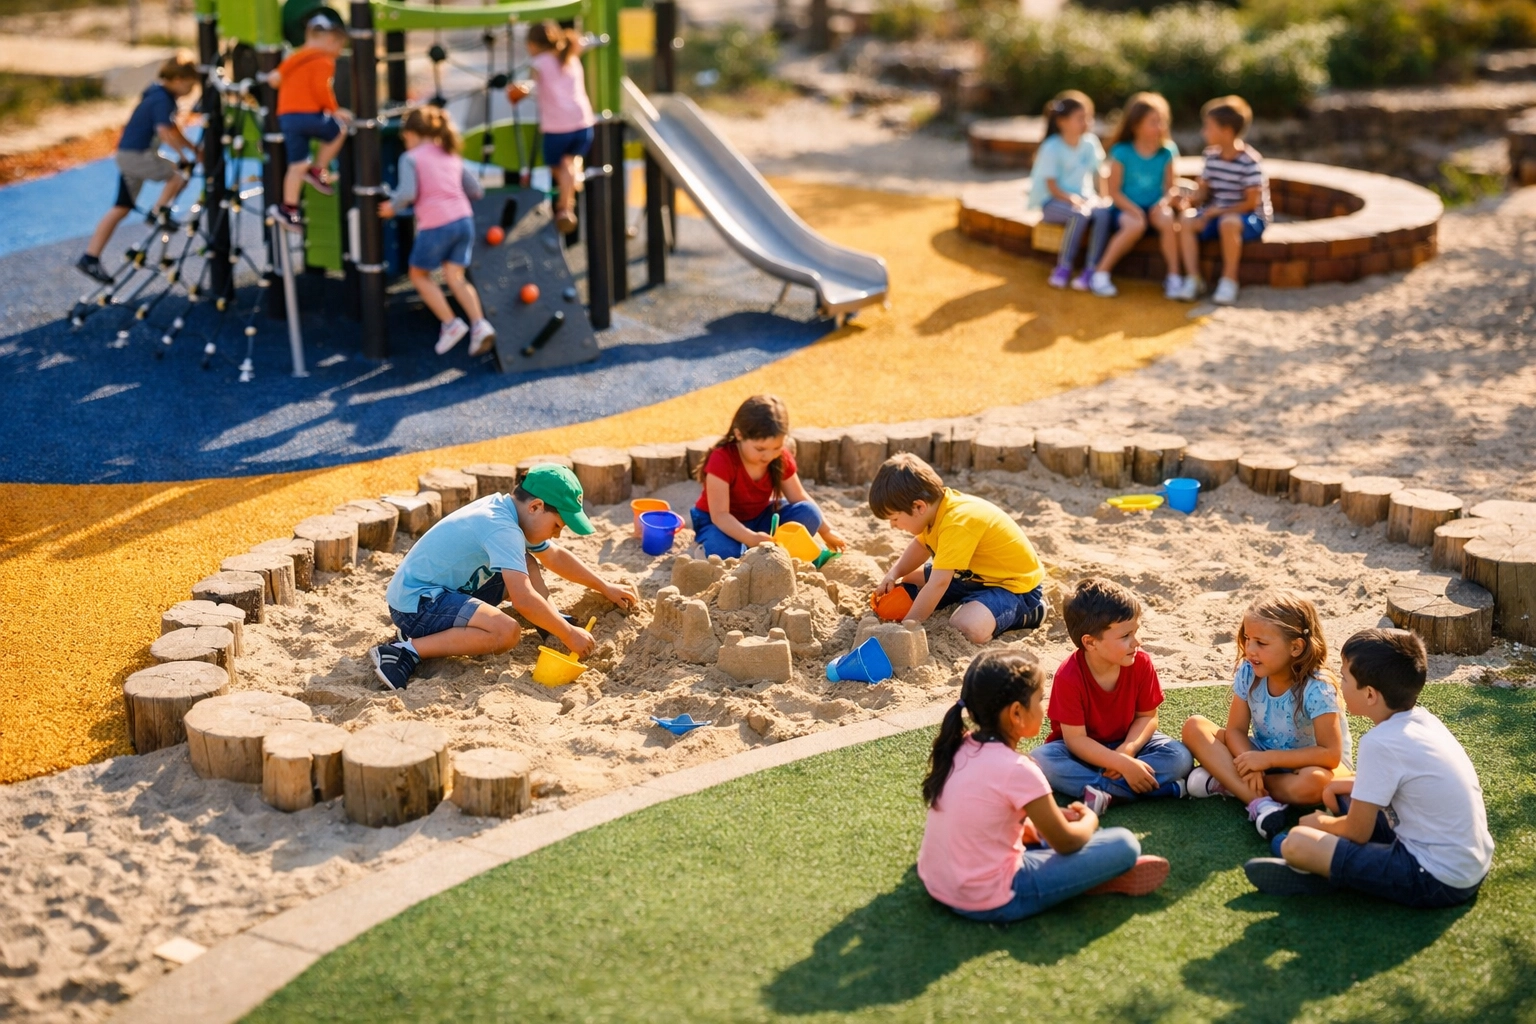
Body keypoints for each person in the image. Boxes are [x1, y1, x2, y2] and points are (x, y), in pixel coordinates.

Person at [916, 649, 1170, 923]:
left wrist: (1052, 818)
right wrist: (1089, 819)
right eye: (1040, 699)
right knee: (1124, 844)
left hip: (939, 882)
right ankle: (1090, 879)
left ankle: (1082, 876)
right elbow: (1068, 842)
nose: (1045, 708)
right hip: (993, 897)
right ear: (1016, 713)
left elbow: (988, 815)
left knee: (1044, 832)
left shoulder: (961, 745)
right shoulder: (1020, 769)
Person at [1244, 628, 1494, 906]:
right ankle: (1339, 865)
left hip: (1436, 877)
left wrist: (1321, 823)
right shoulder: (1422, 720)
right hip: (1467, 862)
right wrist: (1339, 786)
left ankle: (1331, 873)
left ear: (1371, 695)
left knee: (1293, 842)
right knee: (1340, 793)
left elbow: (1356, 832)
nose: (1340, 684)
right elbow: (1402, 784)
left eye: (1345, 678)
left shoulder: (1380, 742)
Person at [370, 464, 639, 690]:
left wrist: (604, 586)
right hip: (417, 605)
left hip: (438, 592)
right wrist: (568, 634)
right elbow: (522, 599)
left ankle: (548, 621)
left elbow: (554, 556)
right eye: (557, 525)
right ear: (535, 506)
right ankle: (405, 651)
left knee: (526, 560)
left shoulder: (507, 510)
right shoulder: (502, 529)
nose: (556, 534)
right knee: (506, 632)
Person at [1181, 590, 1352, 841]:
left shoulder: (1318, 687)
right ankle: (1260, 801)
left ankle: (1228, 783)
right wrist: (1248, 762)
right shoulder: (1249, 672)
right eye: (1248, 638)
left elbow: (1330, 754)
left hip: (1311, 765)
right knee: (1194, 726)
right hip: (1261, 756)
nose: (1250, 649)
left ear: (1295, 646)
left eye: (1261, 643)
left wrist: (1266, 761)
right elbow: (1235, 731)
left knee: (1315, 783)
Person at [1029, 578, 1193, 814]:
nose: (1137, 642)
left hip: (1130, 745)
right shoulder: (1068, 676)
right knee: (1041, 760)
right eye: (1126, 636)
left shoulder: (1141, 662)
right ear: (1090, 642)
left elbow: (1147, 717)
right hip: (1081, 754)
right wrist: (1121, 764)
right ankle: (1159, 791)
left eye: (1136, 631)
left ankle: (1102, 794)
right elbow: (1075, 740)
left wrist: (1127, 751)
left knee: (1179, 757)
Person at [869, 452, 1047, 645]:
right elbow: (920, 545)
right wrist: (893, 573)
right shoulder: (935, 510)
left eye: (894, 519)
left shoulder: (956, 522)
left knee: (966, 626)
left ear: (919, 506)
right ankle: (969, 601)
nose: (892, 526)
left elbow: (939, 583)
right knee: (909, 577)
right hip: (972, 575)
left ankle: (1028, 613)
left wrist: (908, 628)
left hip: (1012, 586)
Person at [377, 107, 497, 356]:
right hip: (464, 221)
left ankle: (451, 323)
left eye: (404, 138)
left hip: (437, 224)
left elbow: (408, 193)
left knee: (419, 275)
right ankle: (479, 325)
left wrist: (392, 206)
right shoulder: (450, 154)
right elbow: (476, 190)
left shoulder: (411, 158)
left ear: (411, 133)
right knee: (456, 277)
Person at [76, 52, 202, 284]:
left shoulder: (156, 93)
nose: (192, 90)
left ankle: (90, 256)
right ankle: (158, 214)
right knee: (177, 176)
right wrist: (186, 156)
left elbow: (173, 129)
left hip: (127, 155)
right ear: (177, 79)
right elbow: (165, 131)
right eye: (190, 84)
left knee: (121, 207)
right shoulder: (163, 99)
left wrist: (192, 150)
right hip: (136, 156)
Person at [691, 395, 846, 560]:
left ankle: (768, 551)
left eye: (777, 447)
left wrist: (827, 530)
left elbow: (799, 497)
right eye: (760, 449)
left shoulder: (779, 458)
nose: (769, 455)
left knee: (809, 513)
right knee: (724, 550)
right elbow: (720, 515)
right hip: (719, 523)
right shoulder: (722, 459)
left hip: (759, 517)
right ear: (739, 435)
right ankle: (705, 549)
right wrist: (750, 538)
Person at [1170, 94, 1270, 305]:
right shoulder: (1210, 156)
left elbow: (1251, 204)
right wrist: (1188, 201)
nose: (1203, 131)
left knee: (1229, 223)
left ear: (1226, 131)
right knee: (1186, 221)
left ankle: (1229, 280)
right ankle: (1194, 278)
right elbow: (1203, 191)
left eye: (1208, 126)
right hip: (1217, 213)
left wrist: (1216, 212)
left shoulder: (1250, 162)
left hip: (1249, 218)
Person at [1083, 92, 1181, 300]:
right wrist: (1133, 209)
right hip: (1125, 207)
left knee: (1168, 220)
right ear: (1136, 125)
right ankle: (1101, 273)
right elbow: (1113, 192)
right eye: (1153, 122)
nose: (1160, 126)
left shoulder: (1168, 151)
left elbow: (1171, 188)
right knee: (1134, 225)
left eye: (1162, 121)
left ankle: (1174, 276)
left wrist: (1163, 203)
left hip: (1155, 207)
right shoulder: (1122, 152)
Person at [506, 21, 596, 236]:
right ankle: (571, 188)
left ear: (533, 44)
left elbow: (532, 84)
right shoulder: (571, 54)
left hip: (558, 126)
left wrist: (521, 89)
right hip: (583, 121)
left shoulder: (540, 61)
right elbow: (585, 42)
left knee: (558, 167)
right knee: (569, 163)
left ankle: (565, 207)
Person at [270, 12, 351, 230]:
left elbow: (275, 79)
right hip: (308, 115)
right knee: (338, 130)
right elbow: (321, 89)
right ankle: (318, 168)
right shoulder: (324, 60)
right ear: (330, 41)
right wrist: (334, 111)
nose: (339, 52)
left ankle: (288, 208)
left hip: (287, 116)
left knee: (296, 165)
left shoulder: (296, 57)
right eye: (339, 46)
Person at [1026, 89, 1109, 291]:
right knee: (1079, 215)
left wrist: (1105, 198)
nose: (1086, 122)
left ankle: (1091, 269)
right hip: (1053, 202)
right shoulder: (1051, 147)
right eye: (1080, 118)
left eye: (1088, 117)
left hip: (1084, 199)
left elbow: (1100, 173)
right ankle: (1064, 267)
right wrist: (1071, 199)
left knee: (1104, 213)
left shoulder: (1090, 143)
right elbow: (1051, 187)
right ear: (1062, 121)